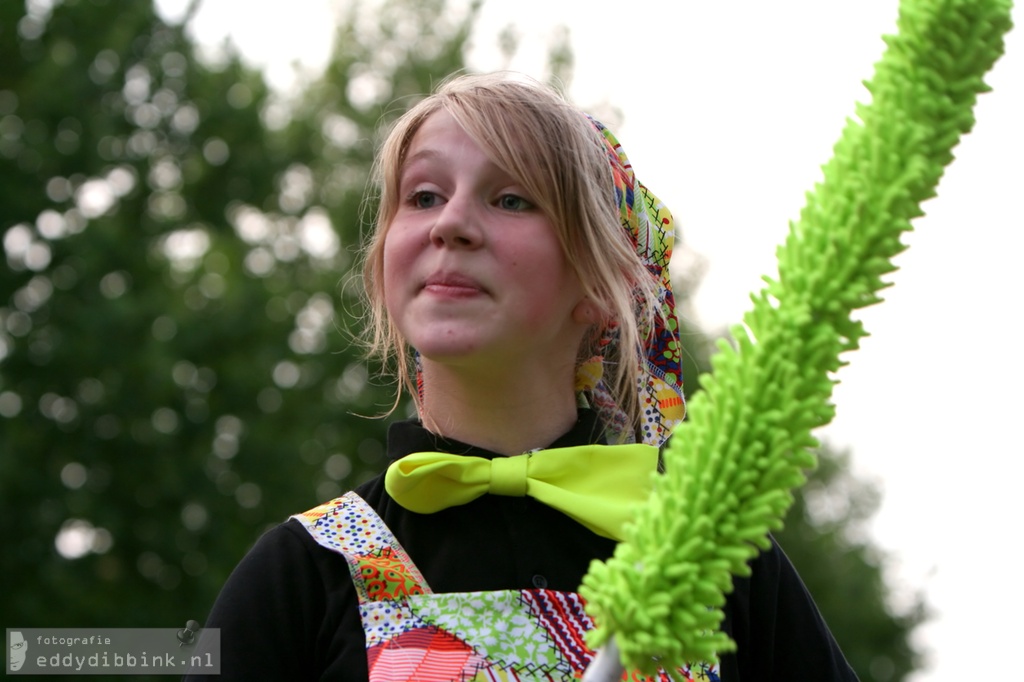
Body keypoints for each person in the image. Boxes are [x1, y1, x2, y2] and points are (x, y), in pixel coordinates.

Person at [188, 73, 857, 681]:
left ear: (601, 282)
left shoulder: (709, 561)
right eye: (423, 195)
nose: (451, 223)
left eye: (510, 199)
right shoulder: (309, 571)